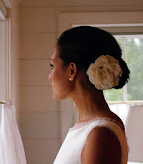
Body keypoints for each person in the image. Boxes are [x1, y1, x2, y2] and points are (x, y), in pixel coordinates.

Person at [49, 26, 130, 164]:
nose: (50, 76)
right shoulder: (88, 127)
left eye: (52, 66)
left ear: (72, 70)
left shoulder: (100, 134)